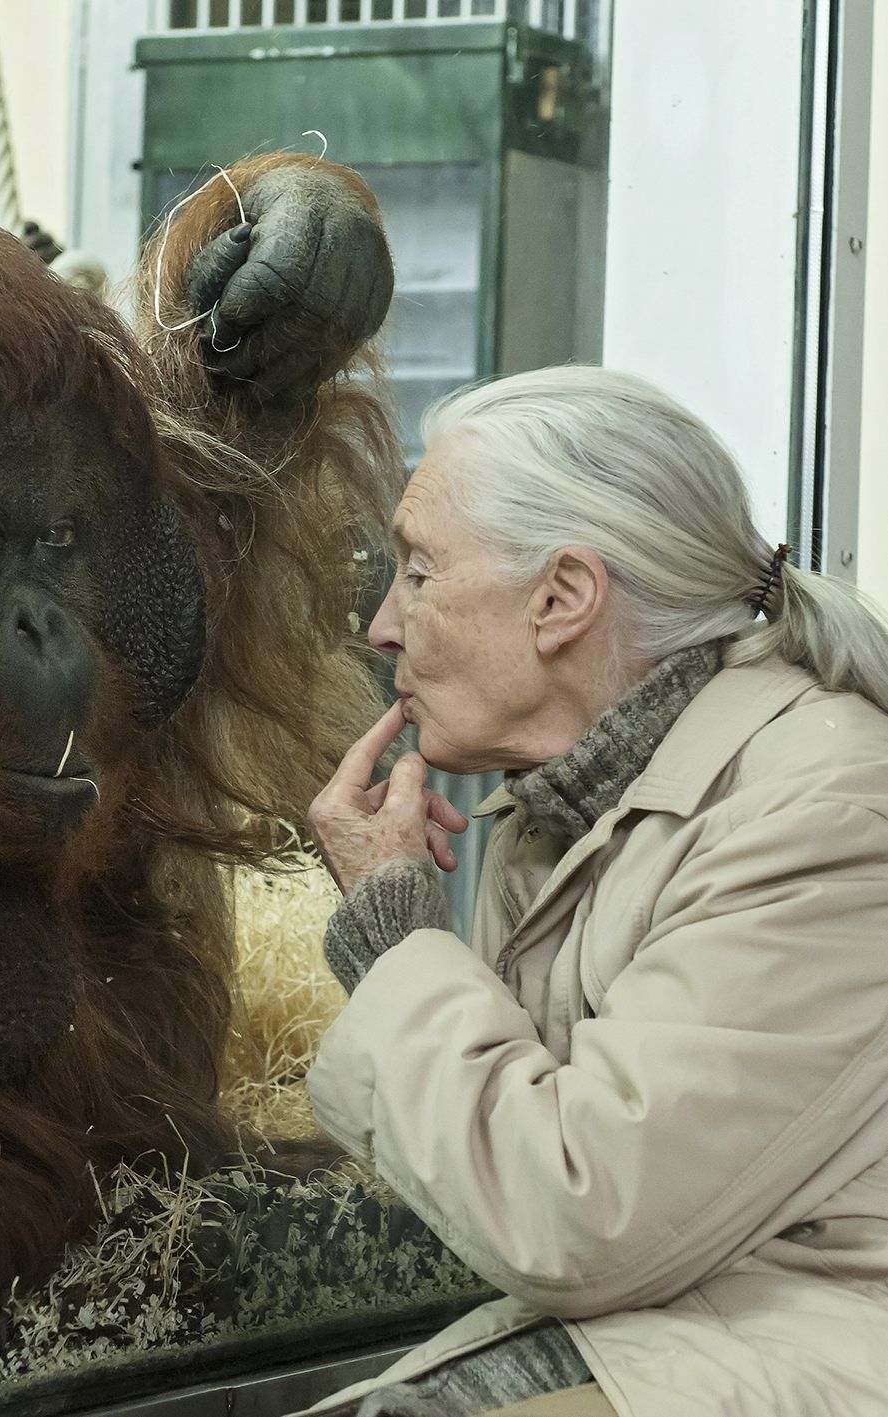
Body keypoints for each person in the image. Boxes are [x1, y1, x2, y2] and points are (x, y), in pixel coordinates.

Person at [300, 366, 888, 1417]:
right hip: (694, 1326)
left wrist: (391, 942)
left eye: (418, 573)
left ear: (563, 597)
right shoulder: (563, 809)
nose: (383, 624)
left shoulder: (822, 809)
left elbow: (579, 1217)